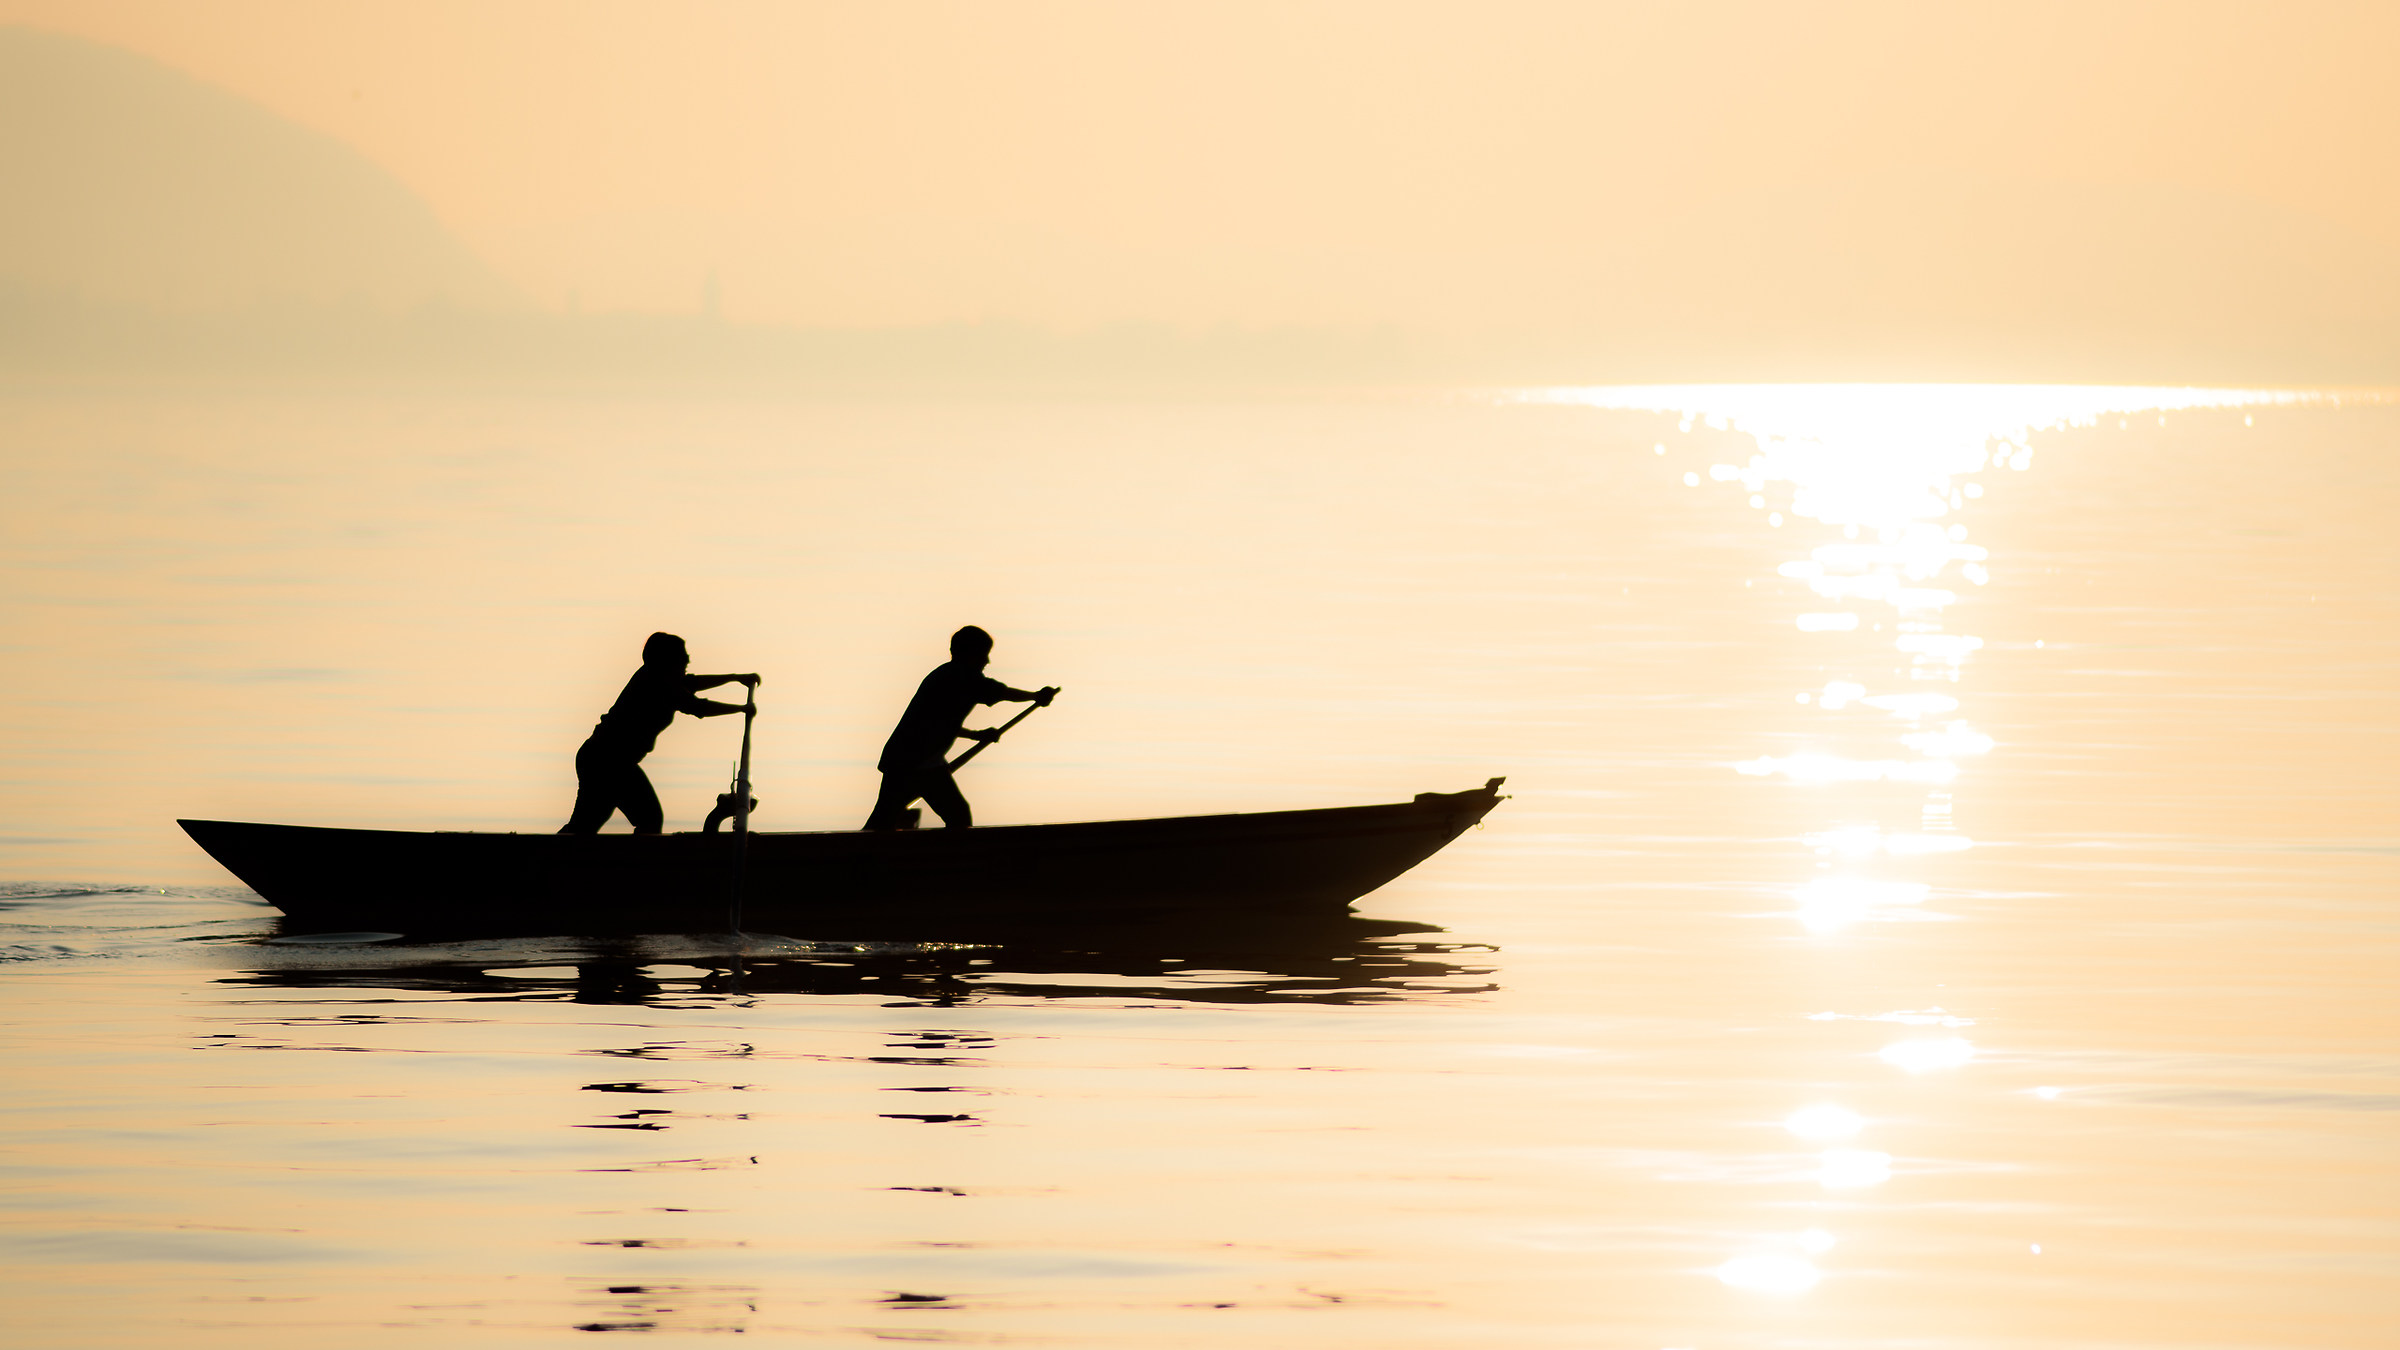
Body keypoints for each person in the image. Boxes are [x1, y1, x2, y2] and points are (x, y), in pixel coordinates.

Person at [559, 632, 758, 835]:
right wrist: (742, 709)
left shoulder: (664, 678)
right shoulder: (656, 681)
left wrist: (735, 679)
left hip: (605, 760)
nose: (688, 659)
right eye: (682, 656)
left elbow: (692, 684)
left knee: (584, 826)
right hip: (608, 761)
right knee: (649, 818)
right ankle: (642, 864)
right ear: (666, 660)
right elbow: (697, 707)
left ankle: (542, 858)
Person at [864, 625, 1055, 830]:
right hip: (910, 763)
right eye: (984, 654)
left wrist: (976, 735)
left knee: (890, 818)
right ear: (970, 653)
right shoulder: (960, 677)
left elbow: (940, 723)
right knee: (954, 815)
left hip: (918, 761)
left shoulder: (946, 676)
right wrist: (1035, 696)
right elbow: (998, 692)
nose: (987, 661)